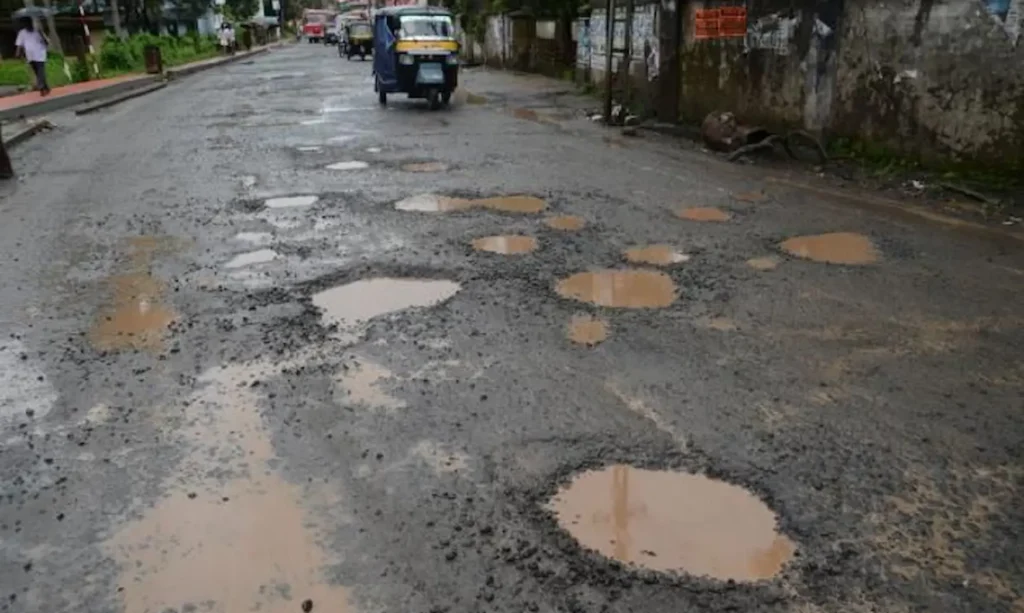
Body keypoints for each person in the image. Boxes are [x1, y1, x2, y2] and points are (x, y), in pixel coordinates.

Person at [15, 18, 50, 96]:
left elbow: (47, 42)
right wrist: (18, 53)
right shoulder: (22, 33)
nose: (27, 25)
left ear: (31, 23)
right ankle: (46, 87)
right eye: (25, 24)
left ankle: (41, 87)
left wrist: (41, 33)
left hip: (40, 54)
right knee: (37, 72)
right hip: (30, 56)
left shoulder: (37, 31)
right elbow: (19, 44)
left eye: (28, 23)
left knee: (41, 71)